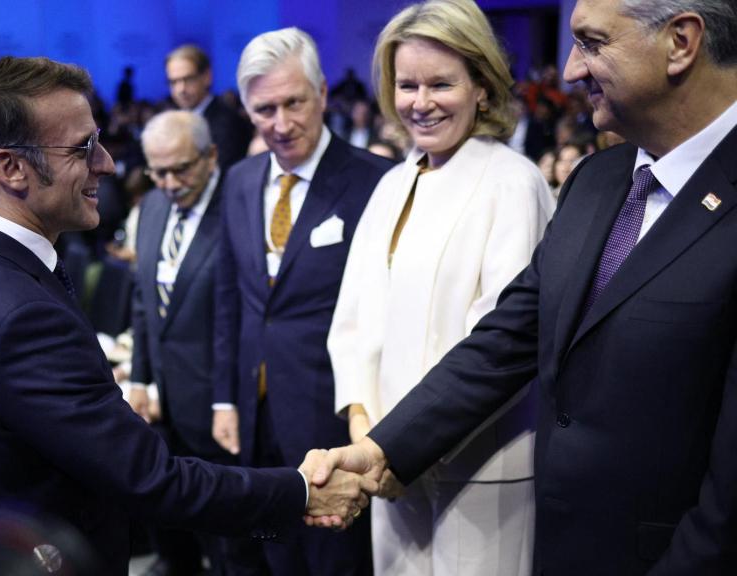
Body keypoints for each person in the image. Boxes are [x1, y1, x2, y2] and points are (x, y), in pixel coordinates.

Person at [311, 0, 737, 573]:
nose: (570, 69)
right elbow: (505, 341)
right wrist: (382, 449)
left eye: (592, 43)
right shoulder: (597, 180)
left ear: (681, 42)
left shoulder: (518, 182)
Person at [0, 55, 372, 576]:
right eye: (83, 147)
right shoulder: (23, 315)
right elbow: (152, 480)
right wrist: (302, 492)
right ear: (10, 168)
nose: (107, 163)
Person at [327, 1, 554, 573]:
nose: (420, 102)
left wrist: (395, 449)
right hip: (384, 465)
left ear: (483, 86)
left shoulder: (514, 182)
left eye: (441, 84)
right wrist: (365, 429)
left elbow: (500, 345)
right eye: (407, 85)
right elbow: (353, 320)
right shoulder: (391, 184)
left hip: (481, 471)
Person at [214, 28, 393, 575]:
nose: (281, 123)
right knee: (270, 558)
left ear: (322, 93)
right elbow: (230, 298)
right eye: (264, 109)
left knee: (335, 563)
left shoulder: (376, 182)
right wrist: (225, 400)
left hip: (333, 420)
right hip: (253, 415)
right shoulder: (239, 180)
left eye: (294, 102)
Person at [129, 110, 262, 575]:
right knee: (176, 535)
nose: (169, 183)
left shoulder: (241, 208)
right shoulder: (152, 207)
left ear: (211, 156)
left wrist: (229, 400)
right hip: (165, 411)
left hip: (223, 408)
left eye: (180, 169)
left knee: (233, 548)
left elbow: (245, 317)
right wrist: (140, 379)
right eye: (158, 172)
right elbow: (144, 302)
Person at [165, 44, 252, 171]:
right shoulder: (170, 122)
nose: (180, 89)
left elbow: (221, 172)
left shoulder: (228, 122)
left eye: (188, 79)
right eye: (173, 82)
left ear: (207, 77)